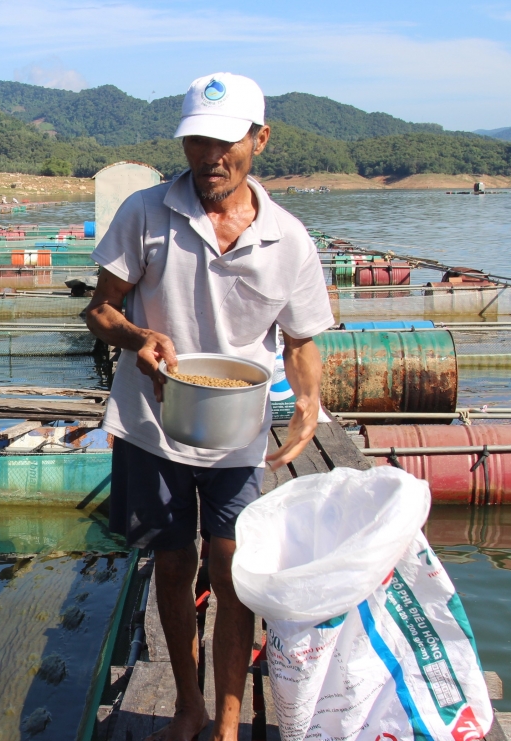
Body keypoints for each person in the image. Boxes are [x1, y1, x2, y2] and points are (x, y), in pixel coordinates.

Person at [85, 72, 333, 741]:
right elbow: (100, 308)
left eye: (226, 141)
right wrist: (137, 336)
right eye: (198, 140)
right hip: (153, 423)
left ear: (260, 139)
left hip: (236, 426)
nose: (210, 156)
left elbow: (301, 339)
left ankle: (227, 718)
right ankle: (187, 706)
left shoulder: (290, 239)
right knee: (172, 561)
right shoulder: (144, 212)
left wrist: (307, 397)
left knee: (232, 566)